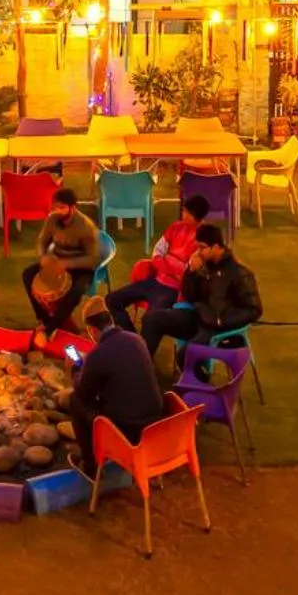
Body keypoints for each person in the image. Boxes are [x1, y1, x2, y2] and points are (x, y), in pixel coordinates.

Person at [65, 296, 164, 475]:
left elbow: (84, 394)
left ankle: (91, 466)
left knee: (75, 400)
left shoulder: (98, 355)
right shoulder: (136, 339)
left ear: (93, 331)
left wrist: (76, 369)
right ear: (110, 321)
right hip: (153, 424)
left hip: (129, 429)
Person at [140, 224, 262, 360]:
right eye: (197, 247)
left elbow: (254, 309)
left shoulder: (239, 273)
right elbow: (189, 296)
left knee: (185, 356)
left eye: (202, 248)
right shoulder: (204, 267)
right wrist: (191, 272)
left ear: (216, 247)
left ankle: (198, 374)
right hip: (199, 317)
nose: (198, 252)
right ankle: (142, 366)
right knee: (151, 319)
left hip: (219, 329)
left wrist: (221, 321)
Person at [106, 194, 209, 335]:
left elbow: (188, 271)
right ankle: (132, 337)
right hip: (155, 281)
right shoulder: (176, 227)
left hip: (174, 289)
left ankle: (140, 346)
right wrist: (172, 264)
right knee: (112, 300)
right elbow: (157, 253)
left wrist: (168, 260)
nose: (183, 214)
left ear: (196, 215)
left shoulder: (204, 238)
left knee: (150, 320)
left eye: (186, 212)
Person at [20, 185, 99, 334]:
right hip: (56, 262)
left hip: (81, 268)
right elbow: (42, 241)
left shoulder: (85, 227)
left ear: (72, 208)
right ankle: (44, 318)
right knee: (28, 274)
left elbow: (92, 259)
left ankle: (50, 328)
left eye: (62, 207)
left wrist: (67, 264)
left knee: (76, 291)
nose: (57, 211)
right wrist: (43, 256)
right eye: (55, 207)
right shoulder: (52, 219)